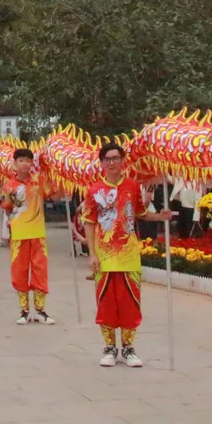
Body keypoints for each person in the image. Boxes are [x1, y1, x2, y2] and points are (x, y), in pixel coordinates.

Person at [83, 142, 171, 369]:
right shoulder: (93, 191)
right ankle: (109, 347)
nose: (112, 163)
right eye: (107, 159)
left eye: (116, 158)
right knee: (106, 304)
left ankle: (129, 348)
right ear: (101, 163)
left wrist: (162, 216)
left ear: (123, 161)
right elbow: (90, 223)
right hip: (104, 256)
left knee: (130, 303)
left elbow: (141, 213)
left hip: (129, 254)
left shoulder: (132, 186)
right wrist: (92, 253)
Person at [1, 148, 53, 325]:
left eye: (28, 160)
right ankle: (24, 311)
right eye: (21, 160)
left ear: (32, 163)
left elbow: (51, 193)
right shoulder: (9, 186)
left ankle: (40, 310)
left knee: (40, 270)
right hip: (19, 234)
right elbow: (7, 206)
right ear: (15, 163)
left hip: (38, 233)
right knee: (19, 272)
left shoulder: (39, 180)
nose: (25, 163)